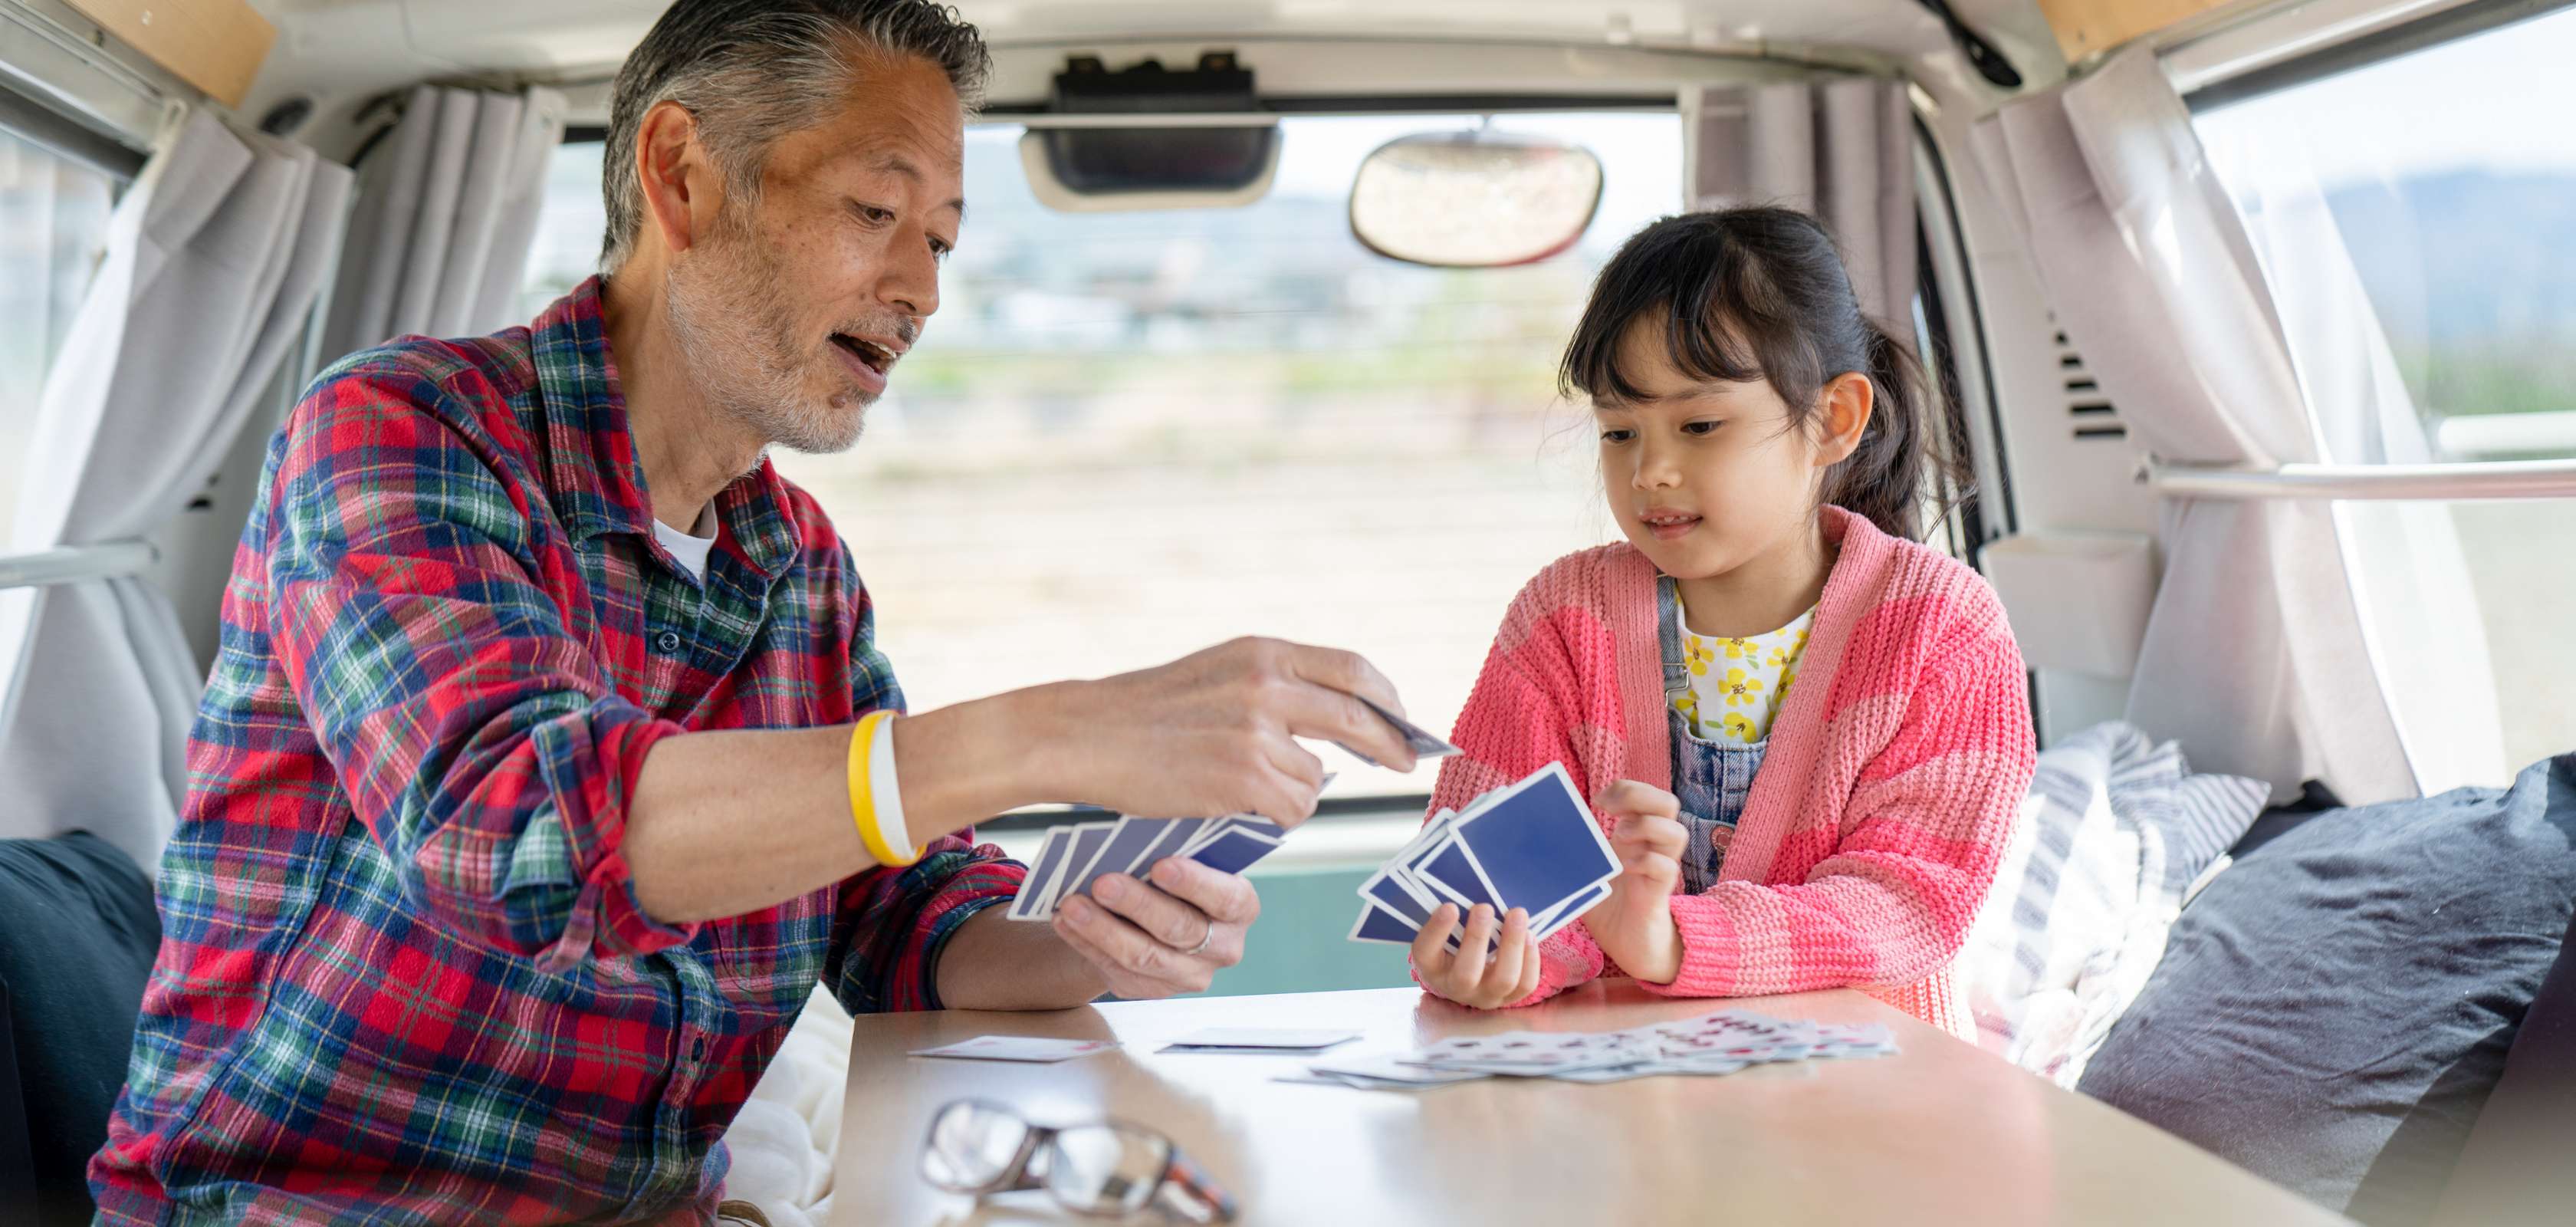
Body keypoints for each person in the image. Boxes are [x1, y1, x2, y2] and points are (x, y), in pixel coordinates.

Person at [88, 2, 1418, 1221]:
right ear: (681, 174)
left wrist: (1089, 941)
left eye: (943, 241)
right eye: (874, 212)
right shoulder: (401, 432)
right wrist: (1051, 733)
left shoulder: (800, 566)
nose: (923, 293)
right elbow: (515, 831)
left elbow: (893, 915)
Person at [1408, 208, 2035, 1036]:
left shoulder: (1945, 631)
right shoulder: (1561, 621)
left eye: (1700, 425)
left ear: (1835, 420)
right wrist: (1498, 961)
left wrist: (1674, 941)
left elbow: (1907, 903)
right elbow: (1491, 873)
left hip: (1867, 1103)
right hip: (1622, 1097)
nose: (1650, 470)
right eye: (1619, 432)